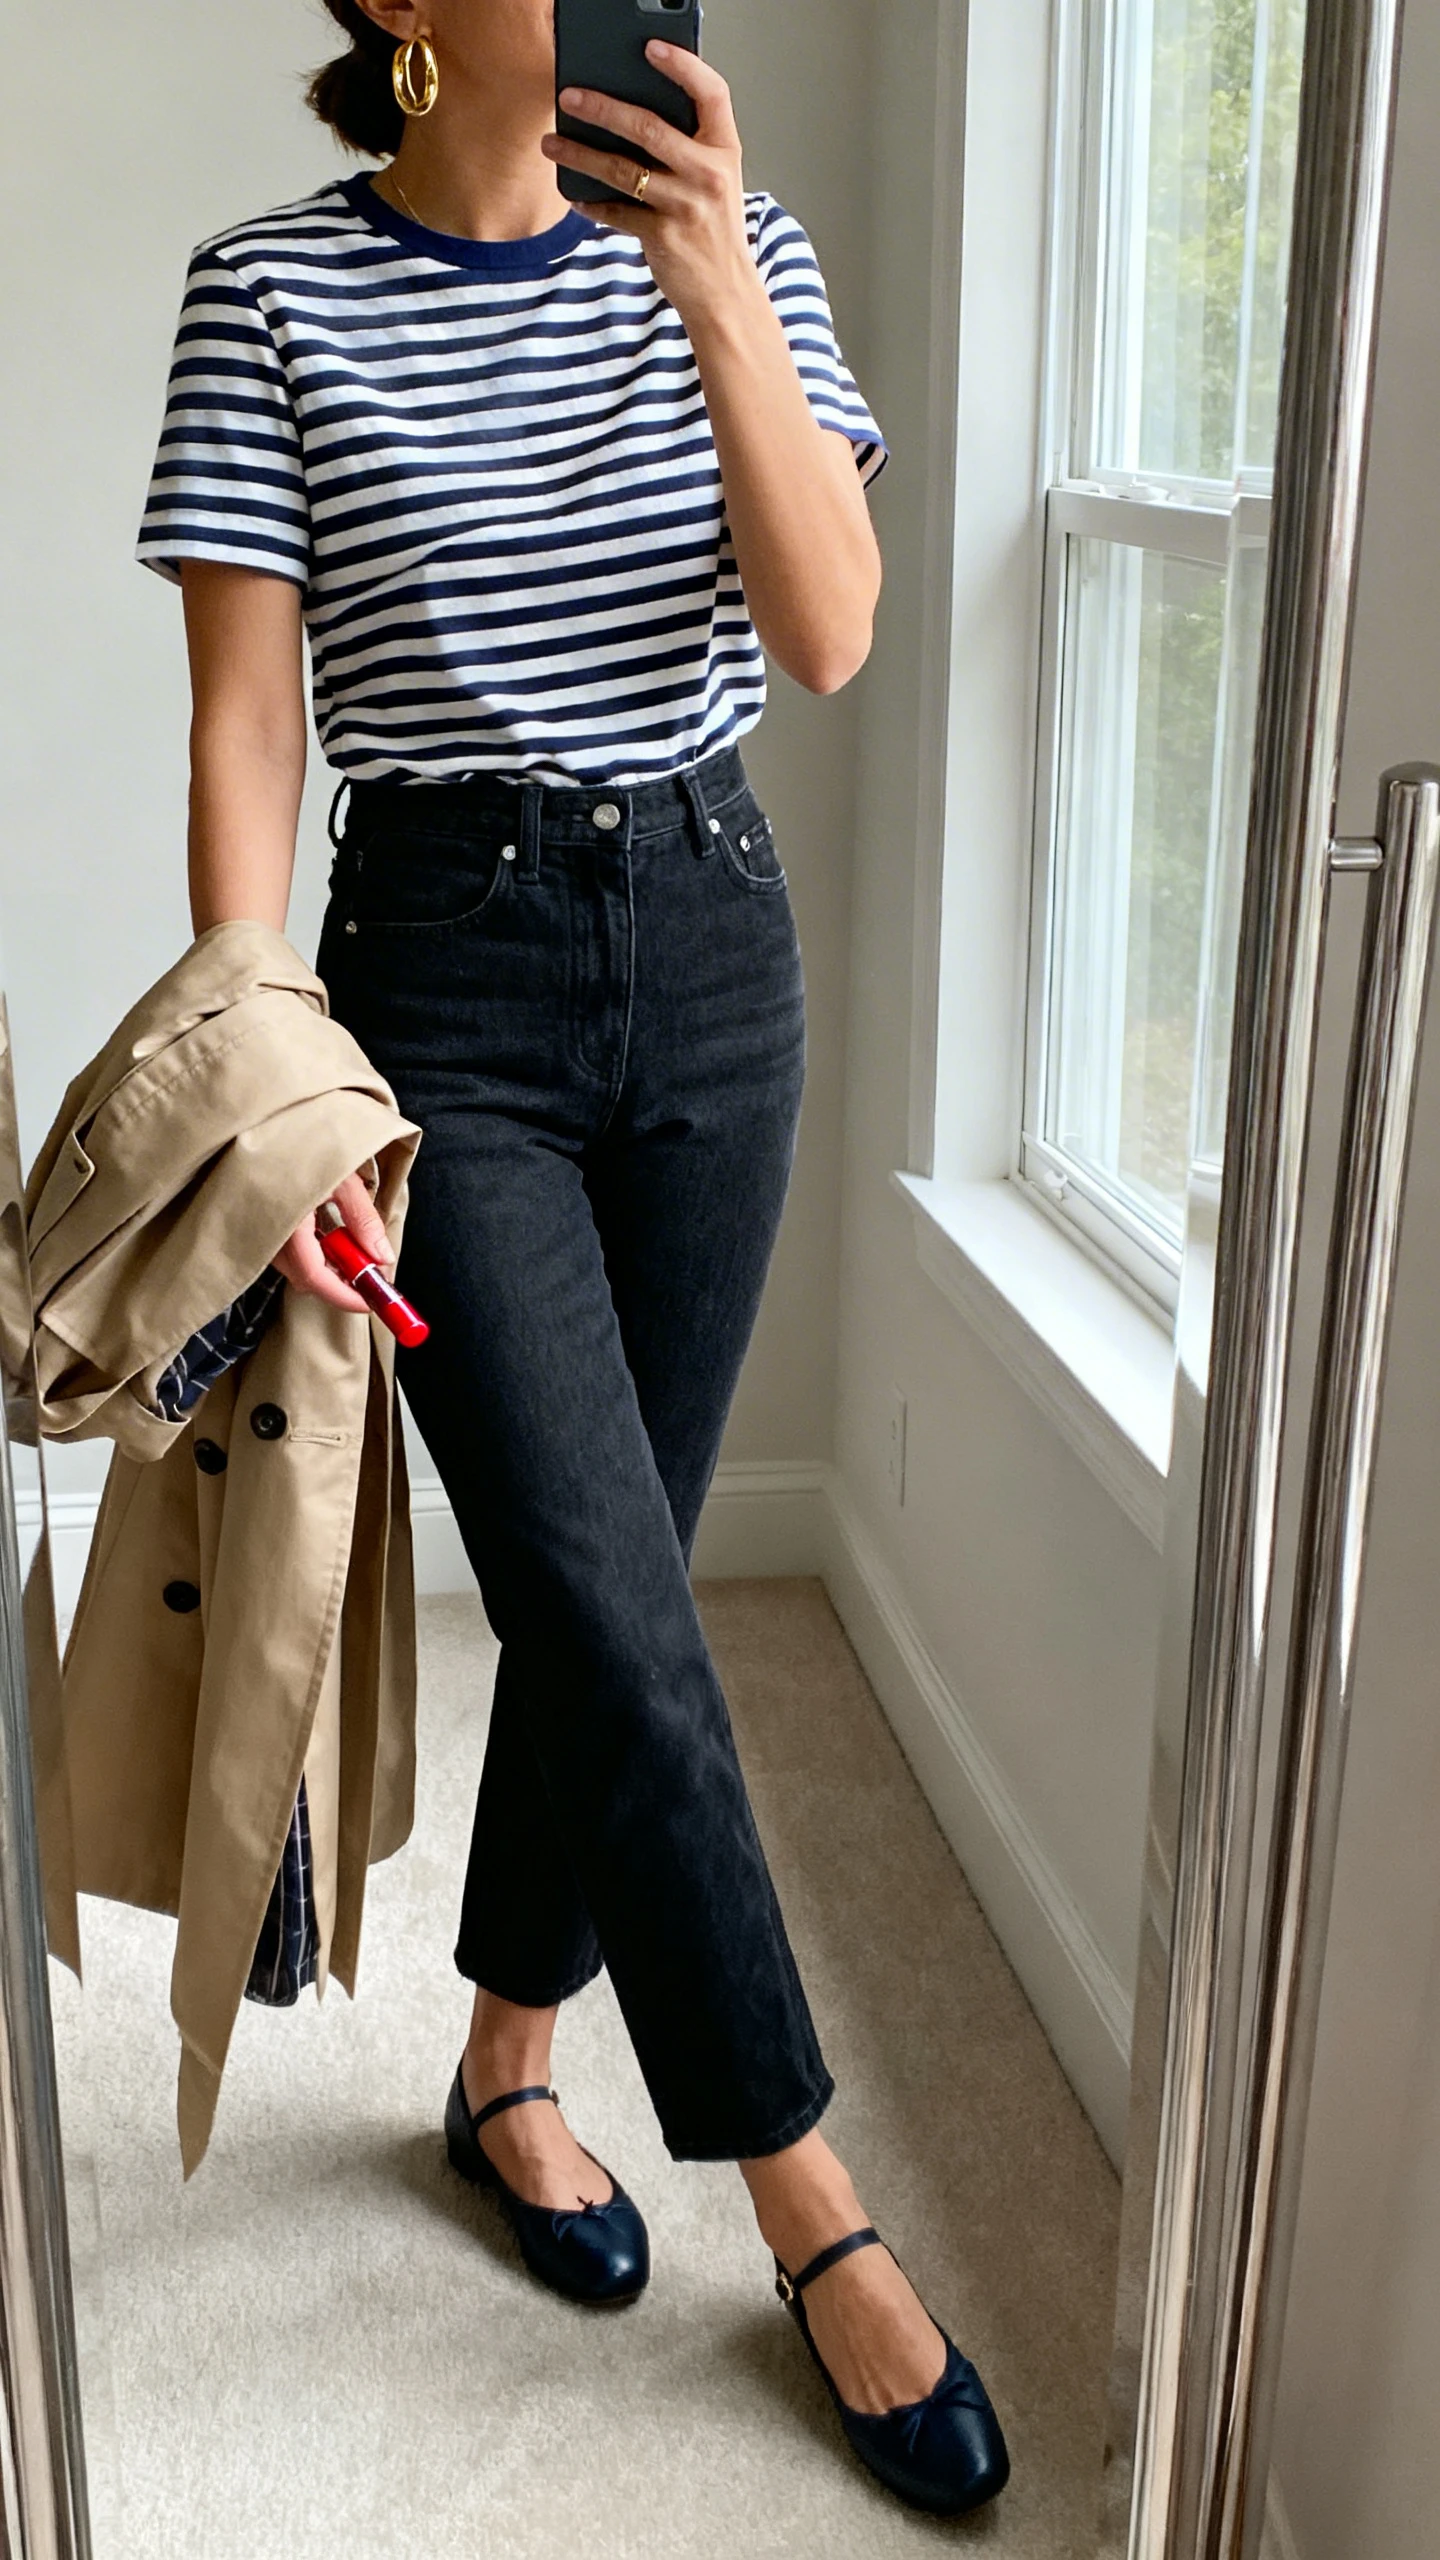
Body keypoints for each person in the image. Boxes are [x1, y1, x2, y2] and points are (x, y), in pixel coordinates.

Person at [140, 0, 1007, 2514]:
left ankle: (507, 2066)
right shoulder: (270, 291)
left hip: (720, 947)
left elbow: (830, 631)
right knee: (623, 1607)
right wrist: (268, 1057)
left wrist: (725, 285)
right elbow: (246, 736)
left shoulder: (744, 245)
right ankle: (810, 2188)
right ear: (403, 7)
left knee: (592, 1584)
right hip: (451, 984)